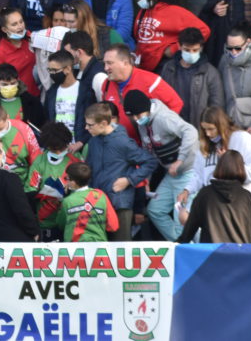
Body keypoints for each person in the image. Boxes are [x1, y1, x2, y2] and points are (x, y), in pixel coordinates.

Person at [125, 90, 198, 241]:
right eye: (132, 116)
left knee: (181, 218)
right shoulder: (143, 123)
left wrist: (180, 160)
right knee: (155, 210)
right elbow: (149, 152)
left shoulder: (164, 118)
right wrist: (147, 180)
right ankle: (178, 245)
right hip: (171, 174)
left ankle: (190, 251)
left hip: (188, 172)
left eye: (138, 115)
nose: (136, 119)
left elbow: (190, 131)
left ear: (146, 109)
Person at [82, 103, 158, 241]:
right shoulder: (93, 142)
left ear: (103, 123)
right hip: (97, 204)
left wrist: (129, 180)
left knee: (121, 250)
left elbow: (150, 162)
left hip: (119, 205)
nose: (86, 128)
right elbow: (89, 169)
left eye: (90, 125)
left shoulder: (123, 142)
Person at [177, 151, 251, 244]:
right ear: (241, 169)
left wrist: (176, 246)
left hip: (211, 254)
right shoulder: (247, 197)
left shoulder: (205, 194)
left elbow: (190, 230)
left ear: (219, 167)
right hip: (240, 254)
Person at [158, 28, 223, 128]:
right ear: (179, 46)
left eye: (195, 50)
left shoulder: (210, 72)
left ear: (201, 48)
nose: (191, 53)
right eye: (187, 50)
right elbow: (161, 98)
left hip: (201, 129)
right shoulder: (169, 68)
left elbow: (216, 104)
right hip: (174, 126)